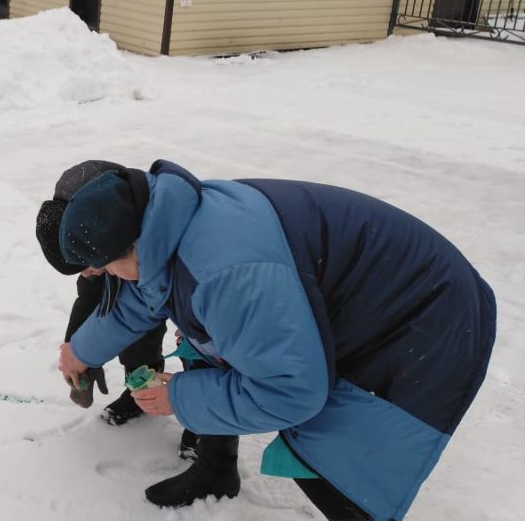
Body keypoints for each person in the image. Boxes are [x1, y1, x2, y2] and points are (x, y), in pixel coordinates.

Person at [54, 160, 496, 520]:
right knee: (230, 357)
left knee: (337, 461)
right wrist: (80, 351)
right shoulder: (166, 224)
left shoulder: (225, 274)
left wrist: (181, 397)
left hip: (422, 315)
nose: (109, 277)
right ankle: (215, 473)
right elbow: (143, 299)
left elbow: (291, 393)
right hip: (368, 299)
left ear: (132, 245)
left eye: (108, 267)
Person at [36, 161, 241, 505]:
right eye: (83, 269)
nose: (90, 273)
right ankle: (139, 390)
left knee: (202, 350)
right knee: (132, 336)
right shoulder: (85, 237)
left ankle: (214, 450)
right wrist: (79, 349)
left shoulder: (117, 222)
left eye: (89, 265)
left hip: (186, 278)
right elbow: (91, 299)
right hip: (136, 261)